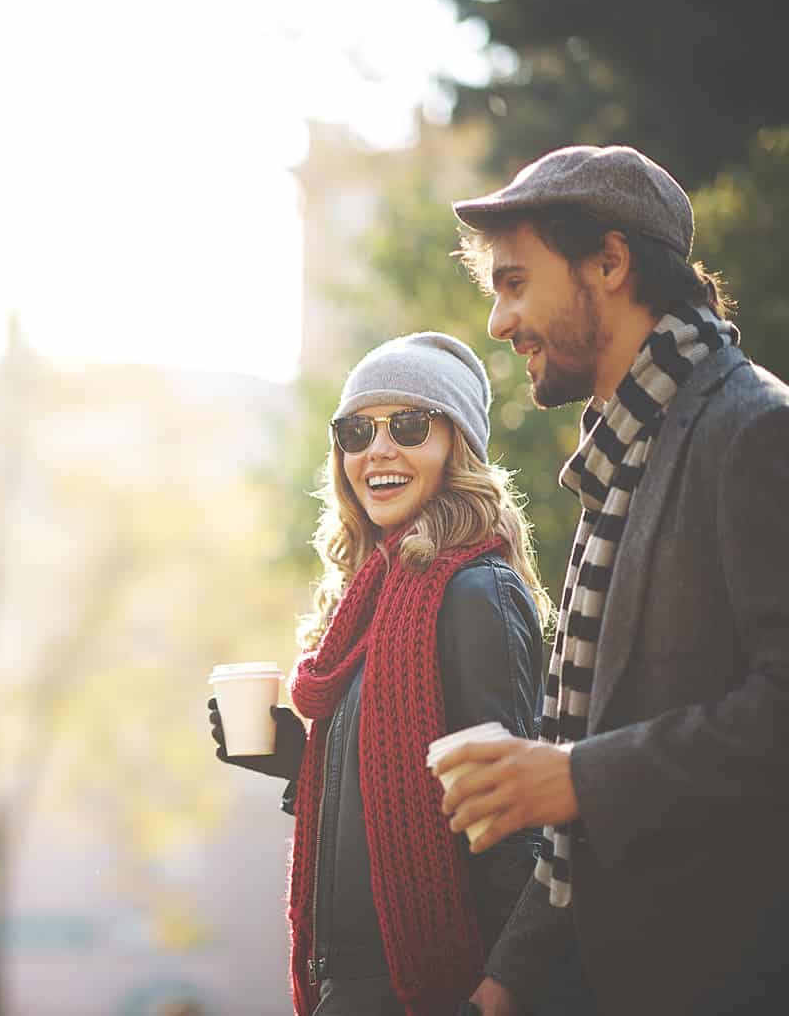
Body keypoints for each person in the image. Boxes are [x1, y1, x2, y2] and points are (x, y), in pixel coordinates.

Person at [435, 144, 789, 1016]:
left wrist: (578, 778)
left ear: (609, 261)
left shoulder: (752, 432)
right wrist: (511, 975)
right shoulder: (623, 452)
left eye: (515, 284)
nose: (498, 323)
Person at [208, 332, 552, 1016]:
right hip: (354, 991)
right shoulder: (366, 605)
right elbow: (396, 784)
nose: (379, 449)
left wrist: (509, 983)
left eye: (410, 425)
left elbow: (514, 821)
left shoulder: (474, 592)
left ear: (458, 447)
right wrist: (301, 763)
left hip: (433, 990)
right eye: (358, 430)